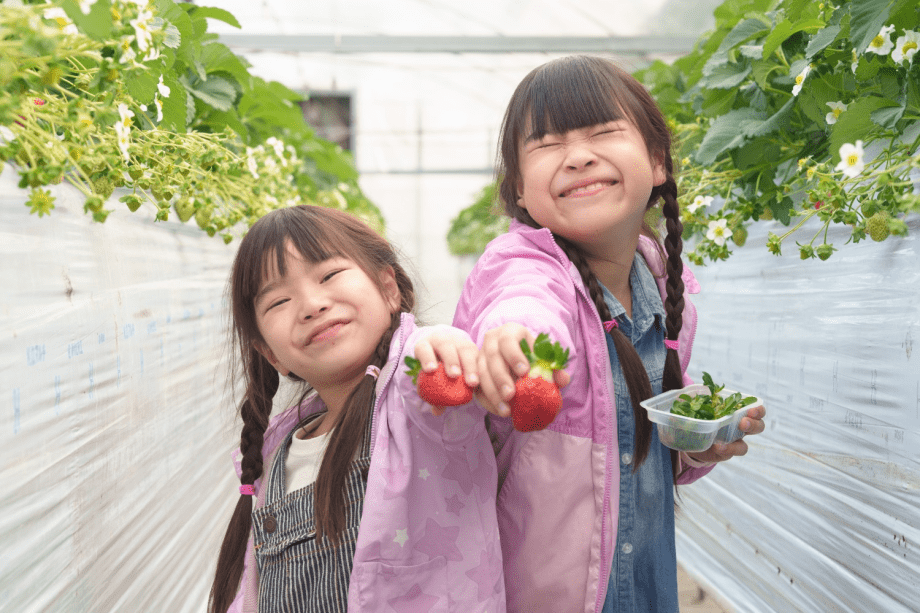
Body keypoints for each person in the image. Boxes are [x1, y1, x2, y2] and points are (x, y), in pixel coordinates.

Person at [452, 55, 766, 613]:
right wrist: (518, 341)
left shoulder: (667, 303)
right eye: (547, 143)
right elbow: (523, 302)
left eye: (603, 133)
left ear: (658, 162)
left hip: (644, 588)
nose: (578, 156)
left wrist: (697, 445)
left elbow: (621, 443)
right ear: (520, 189)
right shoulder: (522, 267)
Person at [208, 205, 505, 613]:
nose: (311, 305)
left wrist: (439, 343)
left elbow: (427, 361)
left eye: (329, 275)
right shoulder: (277, 455)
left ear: (388, 289)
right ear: (269, 354)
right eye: (278, 301)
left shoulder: (417, 403)